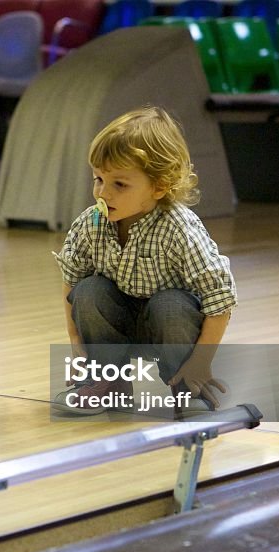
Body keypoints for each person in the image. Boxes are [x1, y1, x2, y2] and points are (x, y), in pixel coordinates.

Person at [53, 106, 237, 418]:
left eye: (119, 184)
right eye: (98, 179)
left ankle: (188, 388)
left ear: (159, 186)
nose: (102, 192)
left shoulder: (179, 229)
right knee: (89, 291)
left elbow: (220, 299)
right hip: (120, 322)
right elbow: (72, 280)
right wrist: (75, 341)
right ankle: (106, 382)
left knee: (171, 305)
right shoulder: (90, 223)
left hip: (168, 326)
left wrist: (201, 361)